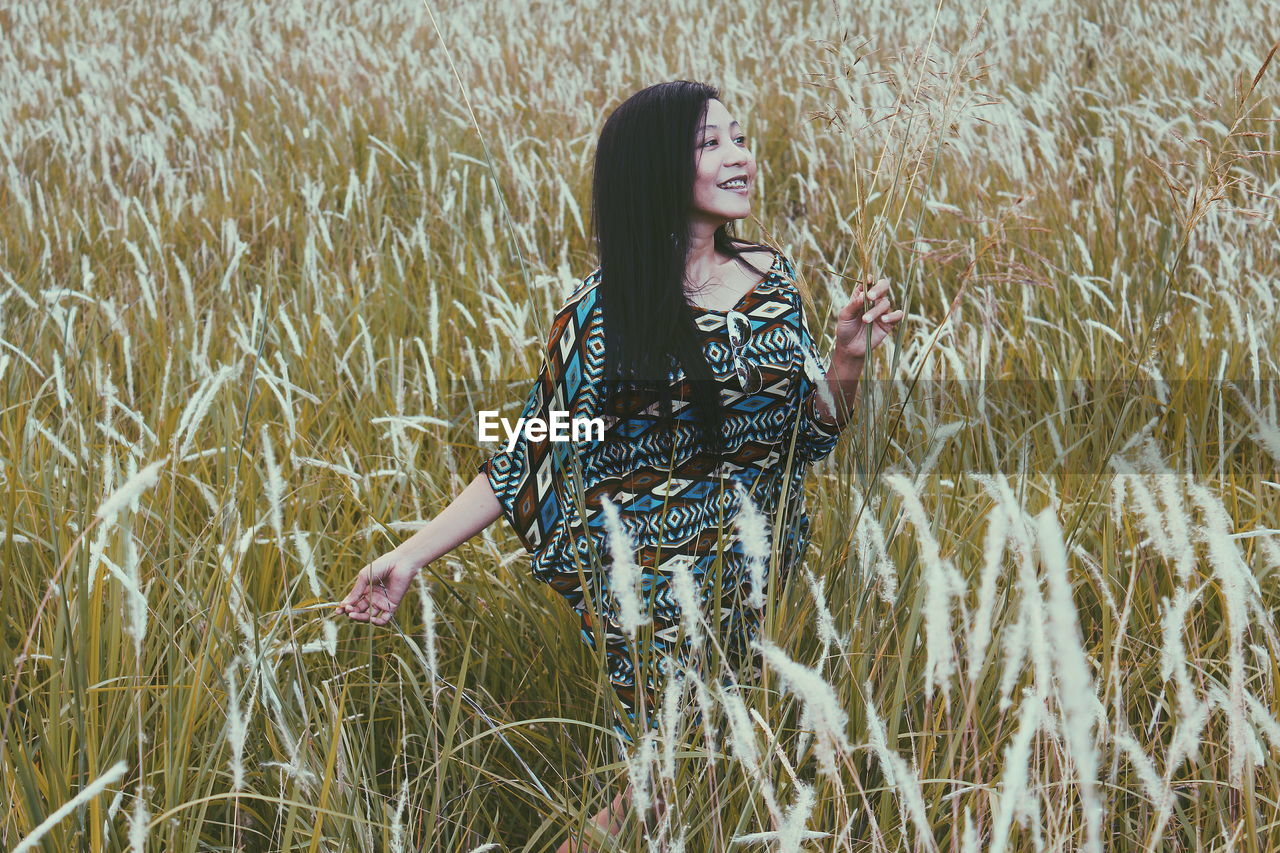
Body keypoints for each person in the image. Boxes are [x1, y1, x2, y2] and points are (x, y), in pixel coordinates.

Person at [336, 80, 902, 851]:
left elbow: (807, 434)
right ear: (653, 170)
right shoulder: (600, 313)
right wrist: (407, 555)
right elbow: (528, 453)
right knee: (660, 789)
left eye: (740, 138)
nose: (740, 157)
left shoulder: (775, 280)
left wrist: (845, 359)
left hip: (759, 577)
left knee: (694, 783)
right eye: (711, 145)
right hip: (652, 593)